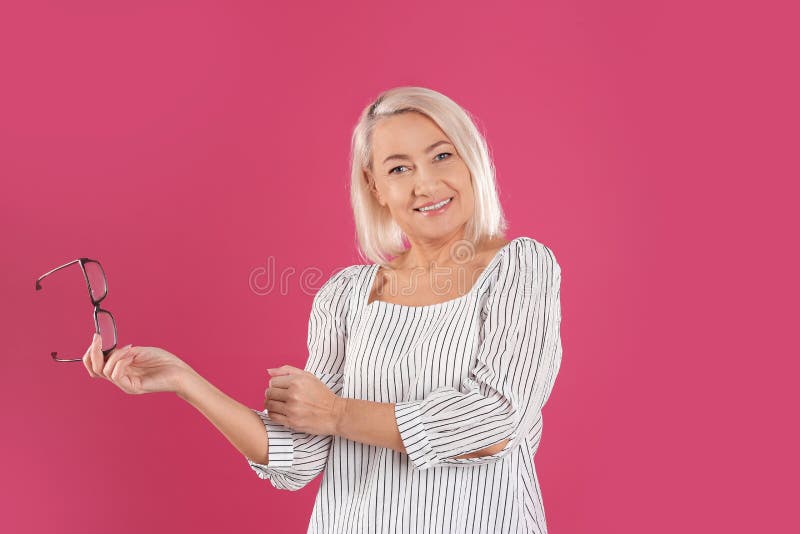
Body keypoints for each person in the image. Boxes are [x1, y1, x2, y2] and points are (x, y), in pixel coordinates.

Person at [85, 86, 563, 533]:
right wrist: (183, 381)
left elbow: (496, 422)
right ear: (374, 186)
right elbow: (302, 456)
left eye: (441, 156)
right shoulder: (345, 295)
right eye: (399, 169)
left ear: (470, 160)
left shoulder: (519, 267)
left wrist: (335, 413)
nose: (426, 183)